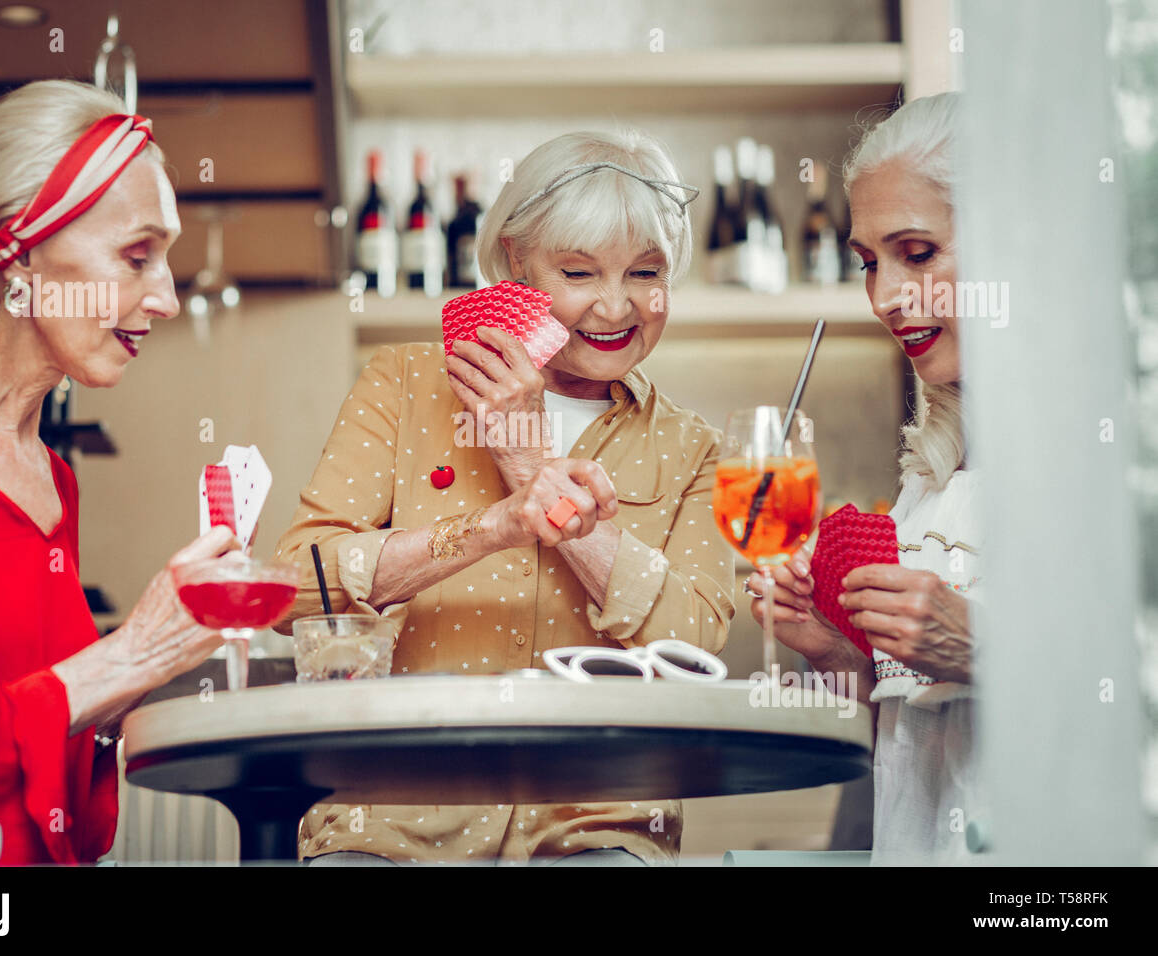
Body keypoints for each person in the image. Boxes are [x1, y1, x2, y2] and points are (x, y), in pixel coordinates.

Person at [274, 130, 735, 865]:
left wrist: (531, 464)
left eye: (645, 272)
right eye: (579, 271)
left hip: (602, 826)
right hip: (390, 820)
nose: (615, 306)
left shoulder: (696, 448)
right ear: (517, 261)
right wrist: (487, 530)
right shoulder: (400, 383)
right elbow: (294, 588)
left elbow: (695, 643)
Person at [0, 80, 241, 864]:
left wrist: (162, 650)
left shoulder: (49, 475)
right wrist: (131, 653)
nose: (165, 297)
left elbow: (42, 730)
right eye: (137, 256)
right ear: (23, 248)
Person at [745, 93, 982, 862]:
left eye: (917, 253)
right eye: (869, 263)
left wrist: (979, 648)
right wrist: (834, 653)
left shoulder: (1111, 443)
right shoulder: (933, 470)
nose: (883, 297)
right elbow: (913, 733)